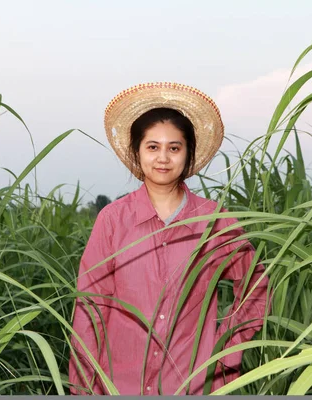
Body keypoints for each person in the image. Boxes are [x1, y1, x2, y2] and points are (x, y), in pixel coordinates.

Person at [68, 82, 269, 395]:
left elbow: (256, 286)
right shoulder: (113, 220)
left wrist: (224, 355)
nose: (163, 158)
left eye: (174, 148)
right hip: (118, 386)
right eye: (152, 147)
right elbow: (89, 309)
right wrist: (84, 388)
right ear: (137, 152)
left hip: (191, 386)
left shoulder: (214, 222)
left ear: (187, 155)